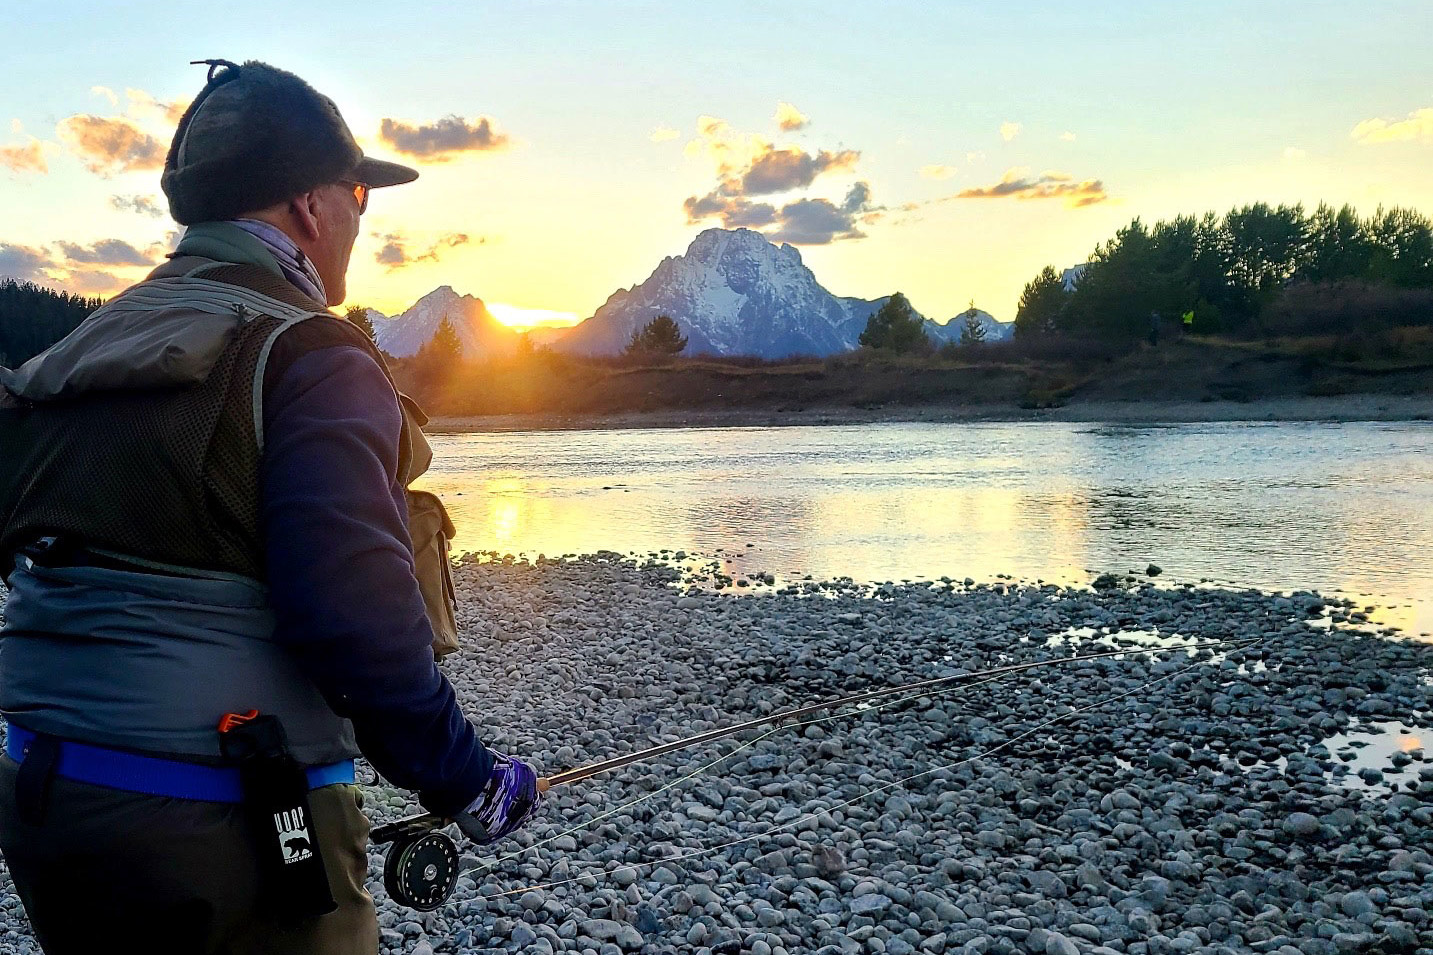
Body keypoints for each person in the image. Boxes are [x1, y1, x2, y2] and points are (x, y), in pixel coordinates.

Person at [0, 60, 543, 954]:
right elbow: (356, 622)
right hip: (227, 816)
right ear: (308, 206)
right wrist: (467, 783)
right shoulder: (310, 354)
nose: (360, 221)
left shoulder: (92, 342)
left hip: (45, 796)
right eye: (361, 194)